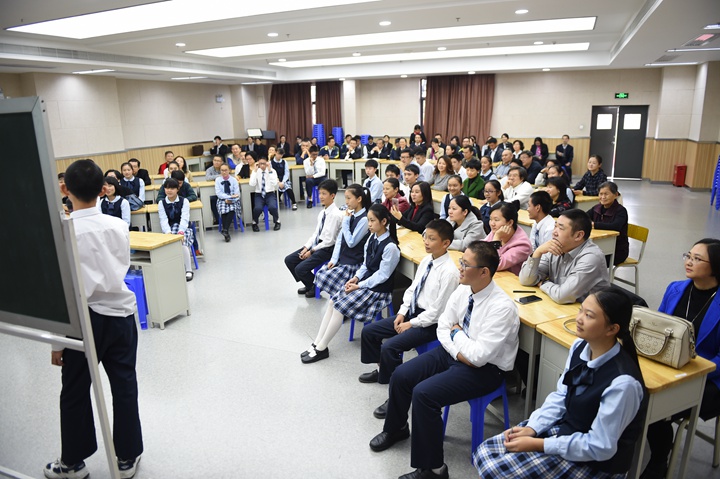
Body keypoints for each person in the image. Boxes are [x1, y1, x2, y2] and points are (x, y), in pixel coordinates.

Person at [369, 241, 519, 479]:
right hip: (454, 353)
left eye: (466, 264)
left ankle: (434, 470)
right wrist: (457, 348)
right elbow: (443, 326)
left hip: (486, 370)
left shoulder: (502, 308)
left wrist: (456, 334)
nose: (460, 267)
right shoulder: (464, 289)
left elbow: (479, 358)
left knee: (424, 395)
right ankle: (397, 428)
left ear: (484, 272)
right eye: (461, 261)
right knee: (401, 375)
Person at [474, 288, 647, 479]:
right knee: (484, 453)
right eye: (581, 310)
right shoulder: (580, 347)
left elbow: (600, 447)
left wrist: (540, 445)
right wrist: (534, 427)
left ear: (612, 329)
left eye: (589, 315)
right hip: (569, 431)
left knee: (495, 471)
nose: (579, 319)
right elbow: (561, 396)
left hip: (596, 462)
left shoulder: (623, 383)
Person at [47, 160, 142, 479]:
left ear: (64, 188)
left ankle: (73, 463)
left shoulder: (63, 231)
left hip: (81, 320)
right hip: (120, 313)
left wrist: (56, 342)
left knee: (74, 390)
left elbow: (61, 290)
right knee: (125, 385)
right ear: (103, 189)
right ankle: (127, 458)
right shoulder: (118, 226)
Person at [360, 220, 460, 418]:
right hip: (413, 312)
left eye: (432, 239)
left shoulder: (450, 273)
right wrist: (402, 312)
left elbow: (437, 312)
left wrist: (410, 323)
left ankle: (395, 396)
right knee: (369, 332)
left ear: (446, 243)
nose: (426, 242)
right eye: (425, 237)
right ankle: (382, 368)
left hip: (431, 323)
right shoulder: (427, 261)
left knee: (390, 347)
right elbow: (413, 289)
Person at [640, 238, 720, 479]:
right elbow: (657, 327)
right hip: (669, 364)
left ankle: (658, 461)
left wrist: (693, 368)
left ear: (715, 266)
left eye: (697, 259)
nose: (689, 262)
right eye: (688, 256)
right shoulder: (676, 288)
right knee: (631, 390)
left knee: (657, 405)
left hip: (708, 378)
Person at [302, 204, 400, 363]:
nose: (369, 224)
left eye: (372, 221)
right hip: (365, 284)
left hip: (378, 291)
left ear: (384, 222)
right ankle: (317, 342)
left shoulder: (391, 247)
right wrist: (356, 277)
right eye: (368, 220)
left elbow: (382, 276)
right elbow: (365, 265)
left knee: (339, 307)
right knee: (333, 301)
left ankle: (322, 348)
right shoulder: (372, 238)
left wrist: (359, 285)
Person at [519, 209, 611, 304]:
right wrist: (537, 252)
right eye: (555, 226)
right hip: (560, 306)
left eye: (561, 228)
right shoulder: (555, 246)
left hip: (585, 310)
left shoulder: (591, 257)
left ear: (578, 236)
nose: (554, 232)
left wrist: (544, 283)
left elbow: (562, 296)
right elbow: (526, 280)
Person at [313, 184, 371, 307]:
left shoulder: (364, 219)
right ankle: (340, 300)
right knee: (320, 274)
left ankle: (342, 302)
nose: (346, 202)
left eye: (349, 198)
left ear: (359, 199)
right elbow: (340, 239)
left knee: (326, 278)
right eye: (345, 198)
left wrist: (345, 222)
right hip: (343, 259)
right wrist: (334, 259)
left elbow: (351, 242)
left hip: (353, 263)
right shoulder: (351, 214)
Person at [284, 179, 343, 298]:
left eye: (324, 194)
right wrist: (306, 247)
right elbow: (316, 234)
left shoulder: (336, 215)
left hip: (327, 249)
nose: (321, 196)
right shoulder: (322, 213)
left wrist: (311, 252)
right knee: (289, 260)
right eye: (320, 193)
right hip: (317, 245)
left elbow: (329, 241)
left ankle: (315, 286)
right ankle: (310, 284)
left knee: (300, 269)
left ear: (332, 195)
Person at [157, 178, 195, 281]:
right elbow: (163, 220)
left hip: (183, 228)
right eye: (167, 188)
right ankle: (172, 268)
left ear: (177, 189)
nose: (169, 190)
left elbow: (185, 218)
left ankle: (188, 269)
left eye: (172, 188)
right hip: (169, 229)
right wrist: (168, 232)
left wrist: (181, 232)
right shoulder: (161, 203)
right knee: (168, 242)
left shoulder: (184, 201)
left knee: (182, 242)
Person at [587, 181, 629, 266]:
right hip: (599, 246)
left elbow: (615, 226)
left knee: (589, 261)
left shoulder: (621, 211)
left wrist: (594, 224)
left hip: (617, 250)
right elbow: (584, 216)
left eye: (606, 194)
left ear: (616, 195)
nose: (603, 197)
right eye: (601, 194)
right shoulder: (597, 207)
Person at [484, 202, 532, 275]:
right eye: (491, 219)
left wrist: (496, 240)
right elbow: (480, 253)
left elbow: (496, 265)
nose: (492, 223)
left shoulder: (523, 245)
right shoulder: (496, 231)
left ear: (510, 222)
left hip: (511, 280)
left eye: (496, 220)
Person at [249, 156, 280, 231]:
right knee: (257, 208)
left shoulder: (272, 171)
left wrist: (269, 171)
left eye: (264, 163)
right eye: (260, 164)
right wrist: (255, 171)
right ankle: (254, 222)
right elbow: (252, 184)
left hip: (270, 193)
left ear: (267, 163)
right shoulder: (255, 172)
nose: (262, 165)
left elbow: (274, 183)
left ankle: (277, 221)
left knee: (272, 207)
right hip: (259, 194)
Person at [214, 163, 241, 242]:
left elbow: (237, 194)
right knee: (223, 210)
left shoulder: (234, 180)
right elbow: (219, 193)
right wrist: (228, 198)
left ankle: (225, 230)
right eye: (222, 170)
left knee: (232, 209)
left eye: (226, 170)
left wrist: (231, 199)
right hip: (222, 200)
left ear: (229, 170)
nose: (224, 172)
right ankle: (226, 232)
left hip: (233, 200)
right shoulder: (218, 180)